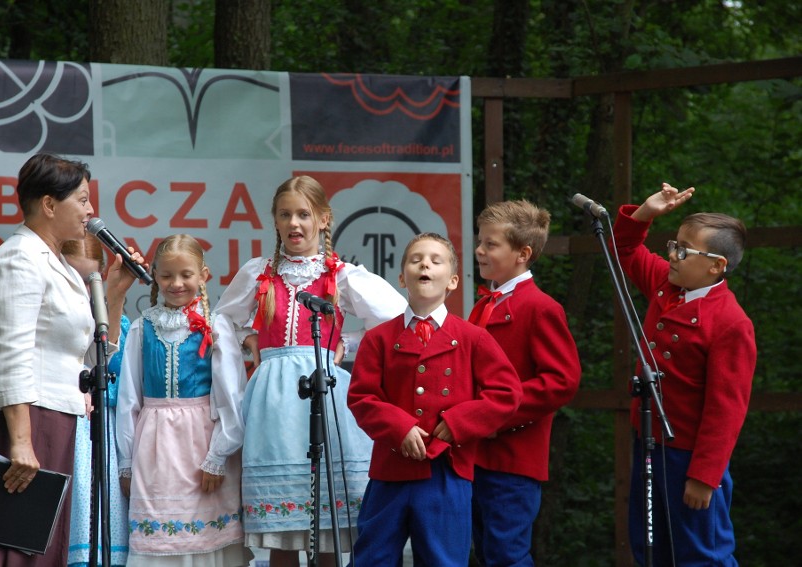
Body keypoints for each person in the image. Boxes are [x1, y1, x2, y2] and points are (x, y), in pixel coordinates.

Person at [0, 152, 143, 567]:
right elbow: (11, 354)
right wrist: (21, 441)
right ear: (50, 205)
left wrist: (116, 291)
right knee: (8, 550)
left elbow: (91, 357)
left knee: (41, 549)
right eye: (83, 200)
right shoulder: (20, 257)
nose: (91, 212)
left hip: (56, 416)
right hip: (21, 420)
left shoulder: (60, 265)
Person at [213, 175, 407, 566]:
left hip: (325, 388)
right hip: (273, 400)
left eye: (304, 214)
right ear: (276, 222)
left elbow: (394, 317)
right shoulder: (260, 273)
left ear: (323, 219)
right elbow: (220, 317)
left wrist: (347, 343)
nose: (294, 223)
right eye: (285, 215)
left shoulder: (340, 274)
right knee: (284, 534)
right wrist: (250, 337)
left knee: (327, 529)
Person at [347, 232, 524, 566]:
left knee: (445, 560)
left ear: (453, 281)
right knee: (372, 558)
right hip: (389, 470)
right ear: (402, 278)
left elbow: (507, 393)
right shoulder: (378, 339)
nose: (424, 264)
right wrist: (400, 428)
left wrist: (458, 423)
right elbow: (361, 396)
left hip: (448, 471)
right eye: (415, 260)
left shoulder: (473, 338)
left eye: (435, 260)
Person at [611, 183, 756, 566]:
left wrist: (705, 476)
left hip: (690, 456)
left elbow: (726, 409)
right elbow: (623, 250)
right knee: (649, 547)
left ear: (715, 265)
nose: (671, 255)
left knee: (701, 553)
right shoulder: (668, 284)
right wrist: (645, 213)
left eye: (682, 251)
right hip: (650, 444)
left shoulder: (730, 322)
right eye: (673, 245)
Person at [115, 234, 251, 566]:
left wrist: (218, 455)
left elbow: (232, 395)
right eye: (166, 275)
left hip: (203, 444)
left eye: (186, 275)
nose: (176, 283)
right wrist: (126, 462)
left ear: (203, 275)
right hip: (155, 448)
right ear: (155, 276)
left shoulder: (215, 326)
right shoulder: (140, 328)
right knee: (160, 537)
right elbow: (129, 399)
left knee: (207, 536)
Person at [469, 200, 582, 566]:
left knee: (506, 555)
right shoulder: (484, 303)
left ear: (523, 253)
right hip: (475, 454)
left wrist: (493, 416)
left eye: (490, 244)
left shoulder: (540, 306)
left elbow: (561, 382)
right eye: (480, 241)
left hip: (514, 458)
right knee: (485, 552)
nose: (479, 250)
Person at [63, 233, 133, 567]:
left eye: (89, 279)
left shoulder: (124, 326)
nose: (80, 288)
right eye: (71, 277)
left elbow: (127, 388)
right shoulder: (53, 323)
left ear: (102, 276)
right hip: (64, 430)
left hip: (105, 434)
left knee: (106, 520)